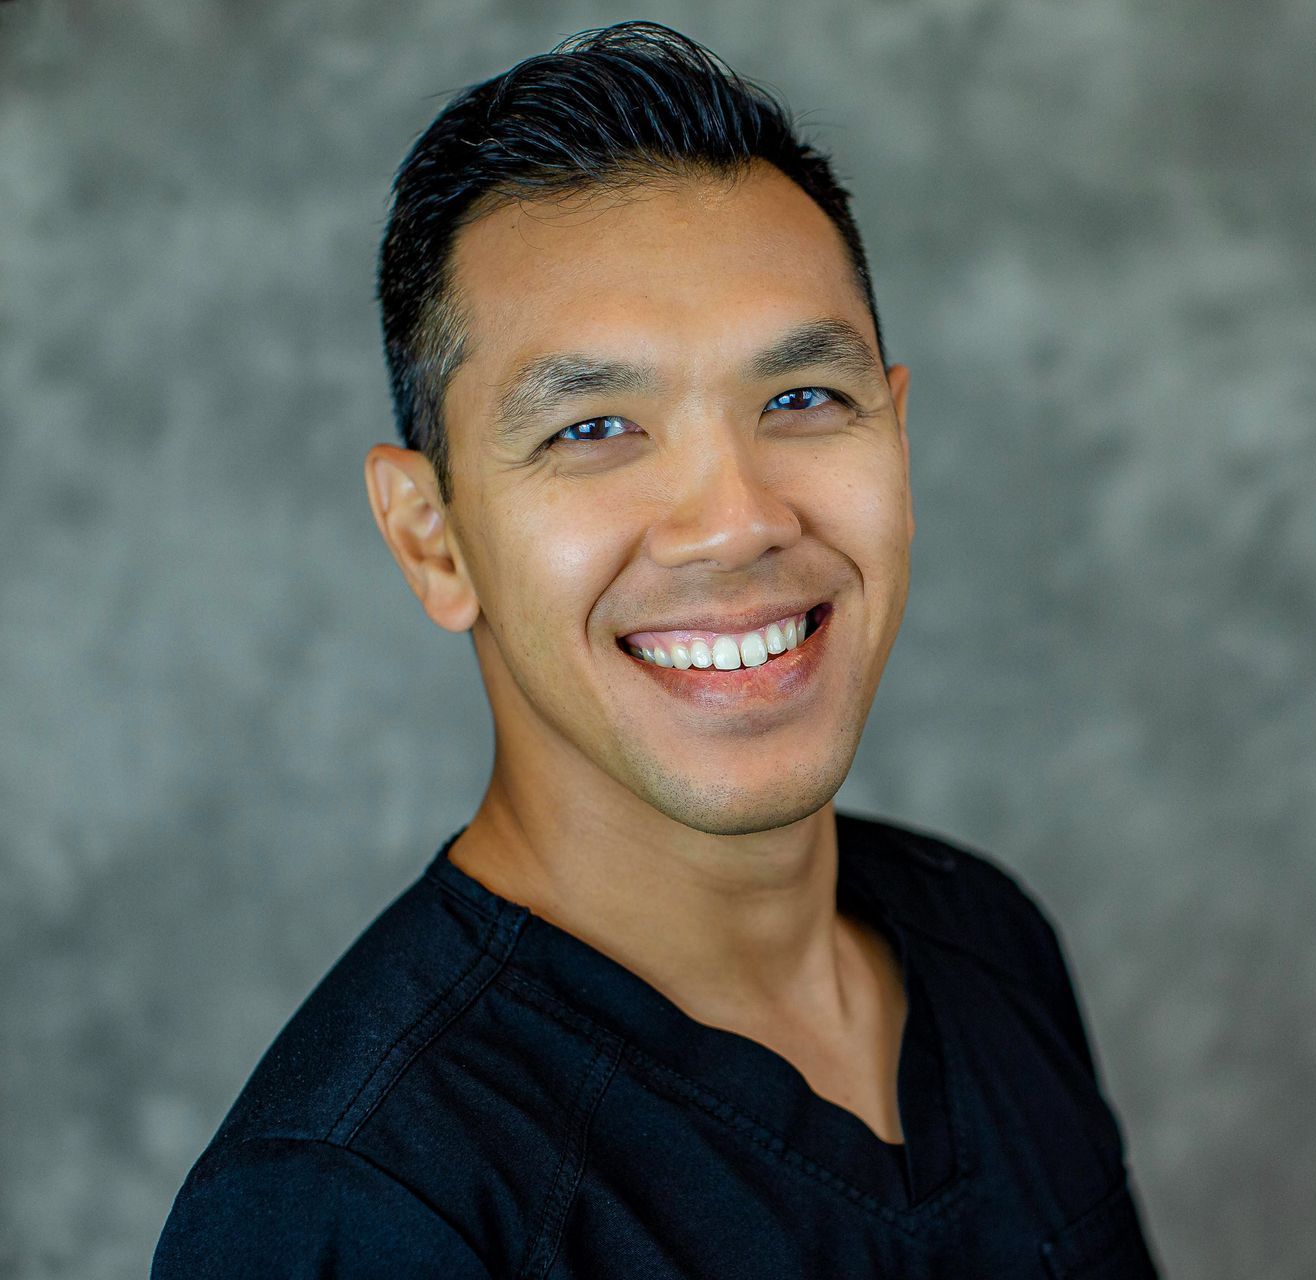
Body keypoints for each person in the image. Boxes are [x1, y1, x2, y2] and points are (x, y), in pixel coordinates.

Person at [153, 21, 1159, 1278]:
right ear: (433, 538)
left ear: (897, 443)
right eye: (593, 427)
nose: (736, 519)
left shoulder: (984, 941)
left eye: (800, 400)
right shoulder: (358, 1204)